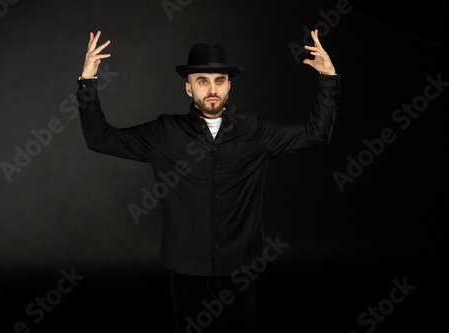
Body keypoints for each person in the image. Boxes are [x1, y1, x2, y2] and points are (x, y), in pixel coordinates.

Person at [76, 30, 340, 333]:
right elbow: (100, 139)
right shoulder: (165, 133)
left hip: (240, 267)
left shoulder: (256, 131)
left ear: (229, 86)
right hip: (187, 269)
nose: (211, 89)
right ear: (189, 88)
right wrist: (88, 81)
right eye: (202, 81)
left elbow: (316, 133)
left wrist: (328, 78)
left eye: (219, 81)